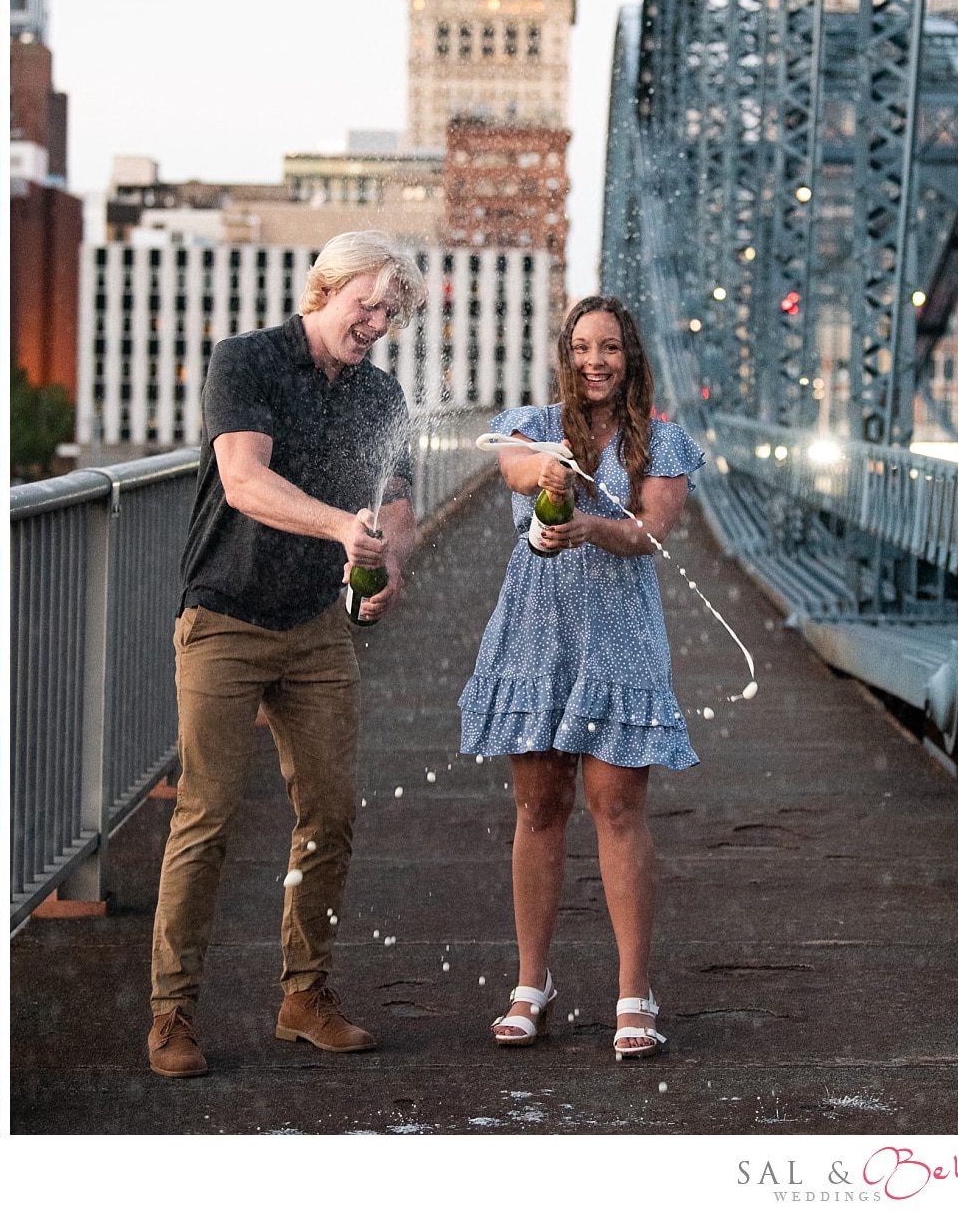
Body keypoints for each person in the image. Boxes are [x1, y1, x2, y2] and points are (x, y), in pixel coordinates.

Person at [146, 230, 426, 1080]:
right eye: (366, 302)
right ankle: (171, 1016)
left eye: (391, 310)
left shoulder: (380, 399)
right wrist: (343, 526)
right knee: (209, 814)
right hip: (226, 616)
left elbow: (401, 505)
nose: (377, 321)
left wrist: (389, 567)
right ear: (323, 290)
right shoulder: (246, 362)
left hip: (315, 626)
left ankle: (304, 997)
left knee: (331, 814)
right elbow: (244, 481)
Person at [458, 295, 704, 1061]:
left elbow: (652, 531)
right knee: (538, 805)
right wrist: (550, 472)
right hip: (536, 634)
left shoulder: (659, 441)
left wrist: (592, 527)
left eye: (611, 348)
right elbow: (517, 473)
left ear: (630, 357)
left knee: (617, 804)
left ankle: (636, 990)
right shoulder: (529, 425)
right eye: (582, 347)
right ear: (565, 355)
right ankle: (532, 983)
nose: (595, 361)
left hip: (619, 636)